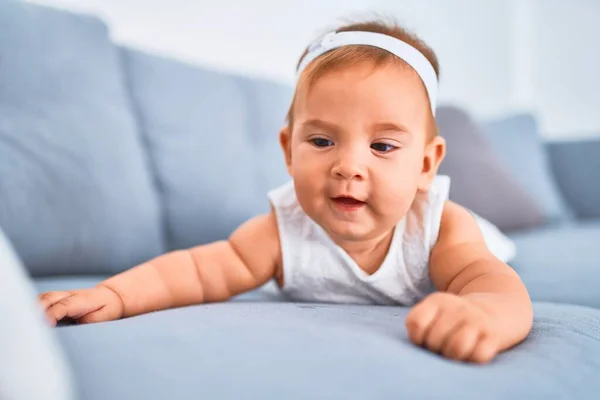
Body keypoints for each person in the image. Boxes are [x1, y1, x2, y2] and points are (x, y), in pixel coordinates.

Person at [38, 19, 533, 364]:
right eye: (321, 140)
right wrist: (113, 295)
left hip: (486, 244)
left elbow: (494, 287)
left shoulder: (441, 228)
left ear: (426, 165)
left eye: (382, 146)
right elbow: (196, 270)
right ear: (288, 149)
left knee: (496, 252)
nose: (347, 166)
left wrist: (482, 314)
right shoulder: (283, 230)